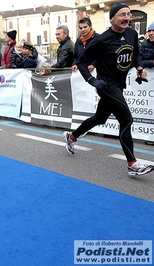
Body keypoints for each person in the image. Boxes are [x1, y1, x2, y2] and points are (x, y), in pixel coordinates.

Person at [62, 2, 154, 176]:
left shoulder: (132, 33)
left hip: (118, 84)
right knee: (126, 119)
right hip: (106, 85)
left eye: (128, 14)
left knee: (100, 118)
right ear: (112, 19)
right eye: (122, 15)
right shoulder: (101, 40)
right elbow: (81, 62)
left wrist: (140, 68)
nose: (127, 18)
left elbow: (136, 55)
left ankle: (71, 136)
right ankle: (132, 164)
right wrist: (92, 80)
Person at [139, 21, 154, 145]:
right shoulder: (144, 45)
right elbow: (140, 61)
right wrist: (152, 63)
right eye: (150, 31)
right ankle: (149, 136)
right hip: (148, 83)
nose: (151, 33)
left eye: (153, 31)